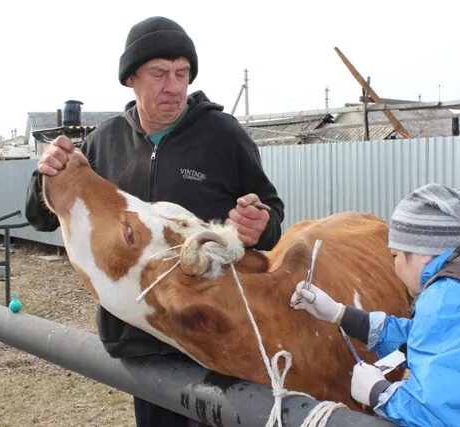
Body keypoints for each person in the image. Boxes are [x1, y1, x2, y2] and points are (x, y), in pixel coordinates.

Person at [25, 16, 284, 427]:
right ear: (131, 78)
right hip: (138, 341)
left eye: (182, 73)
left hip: (215, 337)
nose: (174, 87)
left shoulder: (223, 135)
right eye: (160, 73)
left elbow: (270, 213)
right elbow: (40, 218)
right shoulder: (103, 141)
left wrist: (261, 223)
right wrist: (47, 173)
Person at [290, 183, 460, 426]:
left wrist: (379, 393)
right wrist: (340, 313)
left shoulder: (453, 296)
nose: (394, 266)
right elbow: (435, 339)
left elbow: (438, 417)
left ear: (424, 255)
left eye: (395, 255)